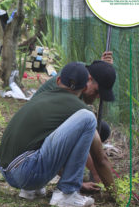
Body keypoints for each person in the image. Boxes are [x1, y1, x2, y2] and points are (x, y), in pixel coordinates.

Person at [0, 62, 115, 207]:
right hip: (26, 171)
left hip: (7, 170)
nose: (98, 97)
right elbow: (101, 160)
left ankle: (31, 189)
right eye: (98, 92)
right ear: (85, 85)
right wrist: (116, 194)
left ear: (59, 81)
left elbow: (57, 151)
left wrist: (78, 181)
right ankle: (67, 194)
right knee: (88, 118)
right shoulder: (78, 108)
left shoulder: (46, 95)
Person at [33, 51, 116, 187]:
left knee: (102, 129)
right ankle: (67, 182)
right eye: (96, 92)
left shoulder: (82, 74)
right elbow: (84, 137)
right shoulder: (69, 88)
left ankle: (71, 174)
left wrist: (104, 68)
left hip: (52, 130)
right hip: (39, 142)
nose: (97, 98)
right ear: (88, 80)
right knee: (88, 128)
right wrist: (97, 173)